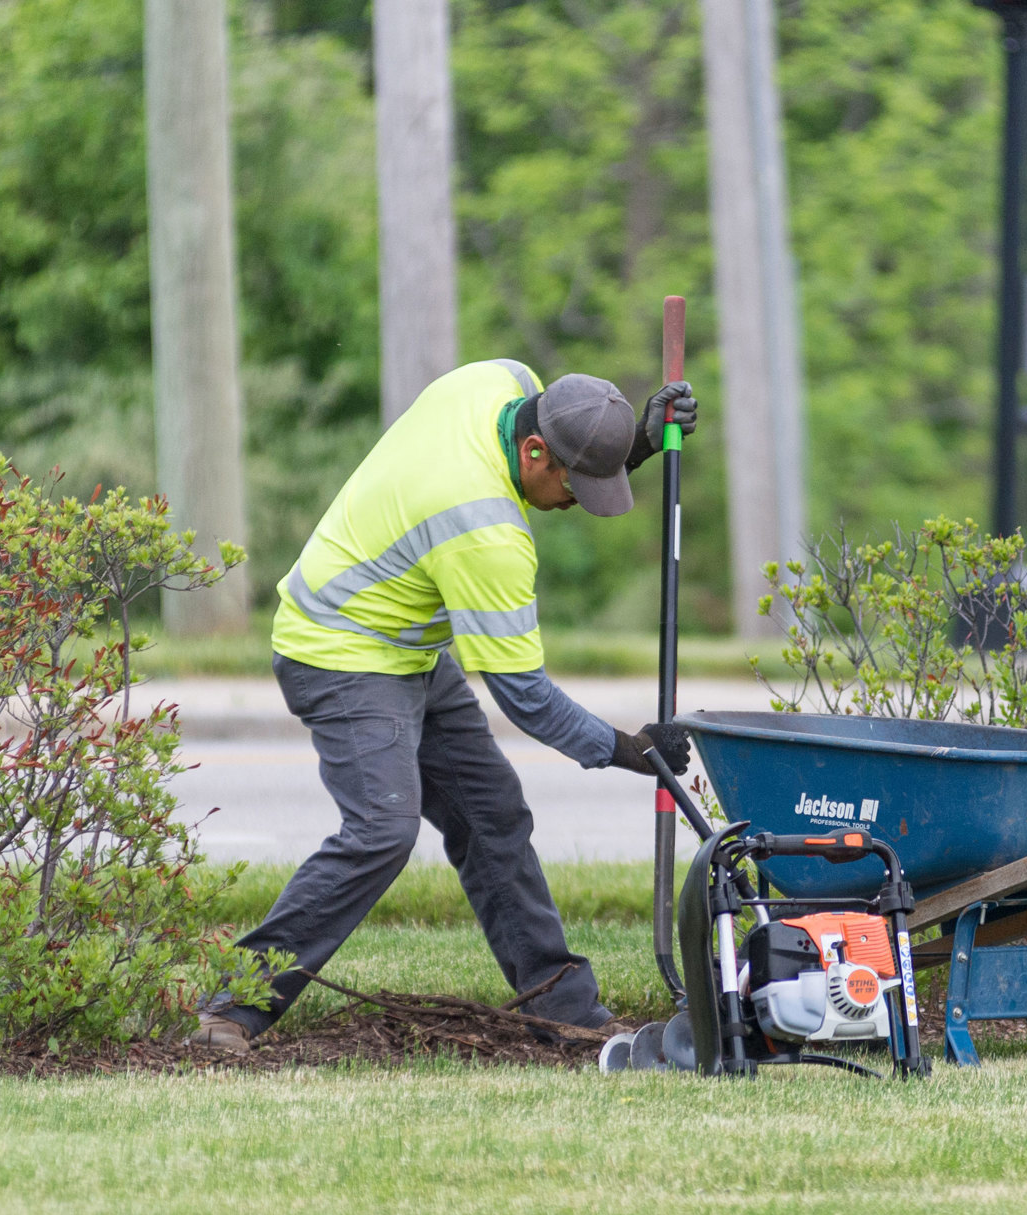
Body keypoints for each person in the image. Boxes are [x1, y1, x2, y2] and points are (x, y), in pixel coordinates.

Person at [192, 359, 697, 1050]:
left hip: (406, 646)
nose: (577, 501)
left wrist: (631, 443)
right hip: (338, 652)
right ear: (533, 452)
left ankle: (563, 1014)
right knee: (381, 830)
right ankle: (231, 1004)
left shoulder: (501, 381)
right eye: (576, 485)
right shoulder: (484, 529)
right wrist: (628, 752)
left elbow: (561, 444)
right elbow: (526, 698)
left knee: (493, 814)